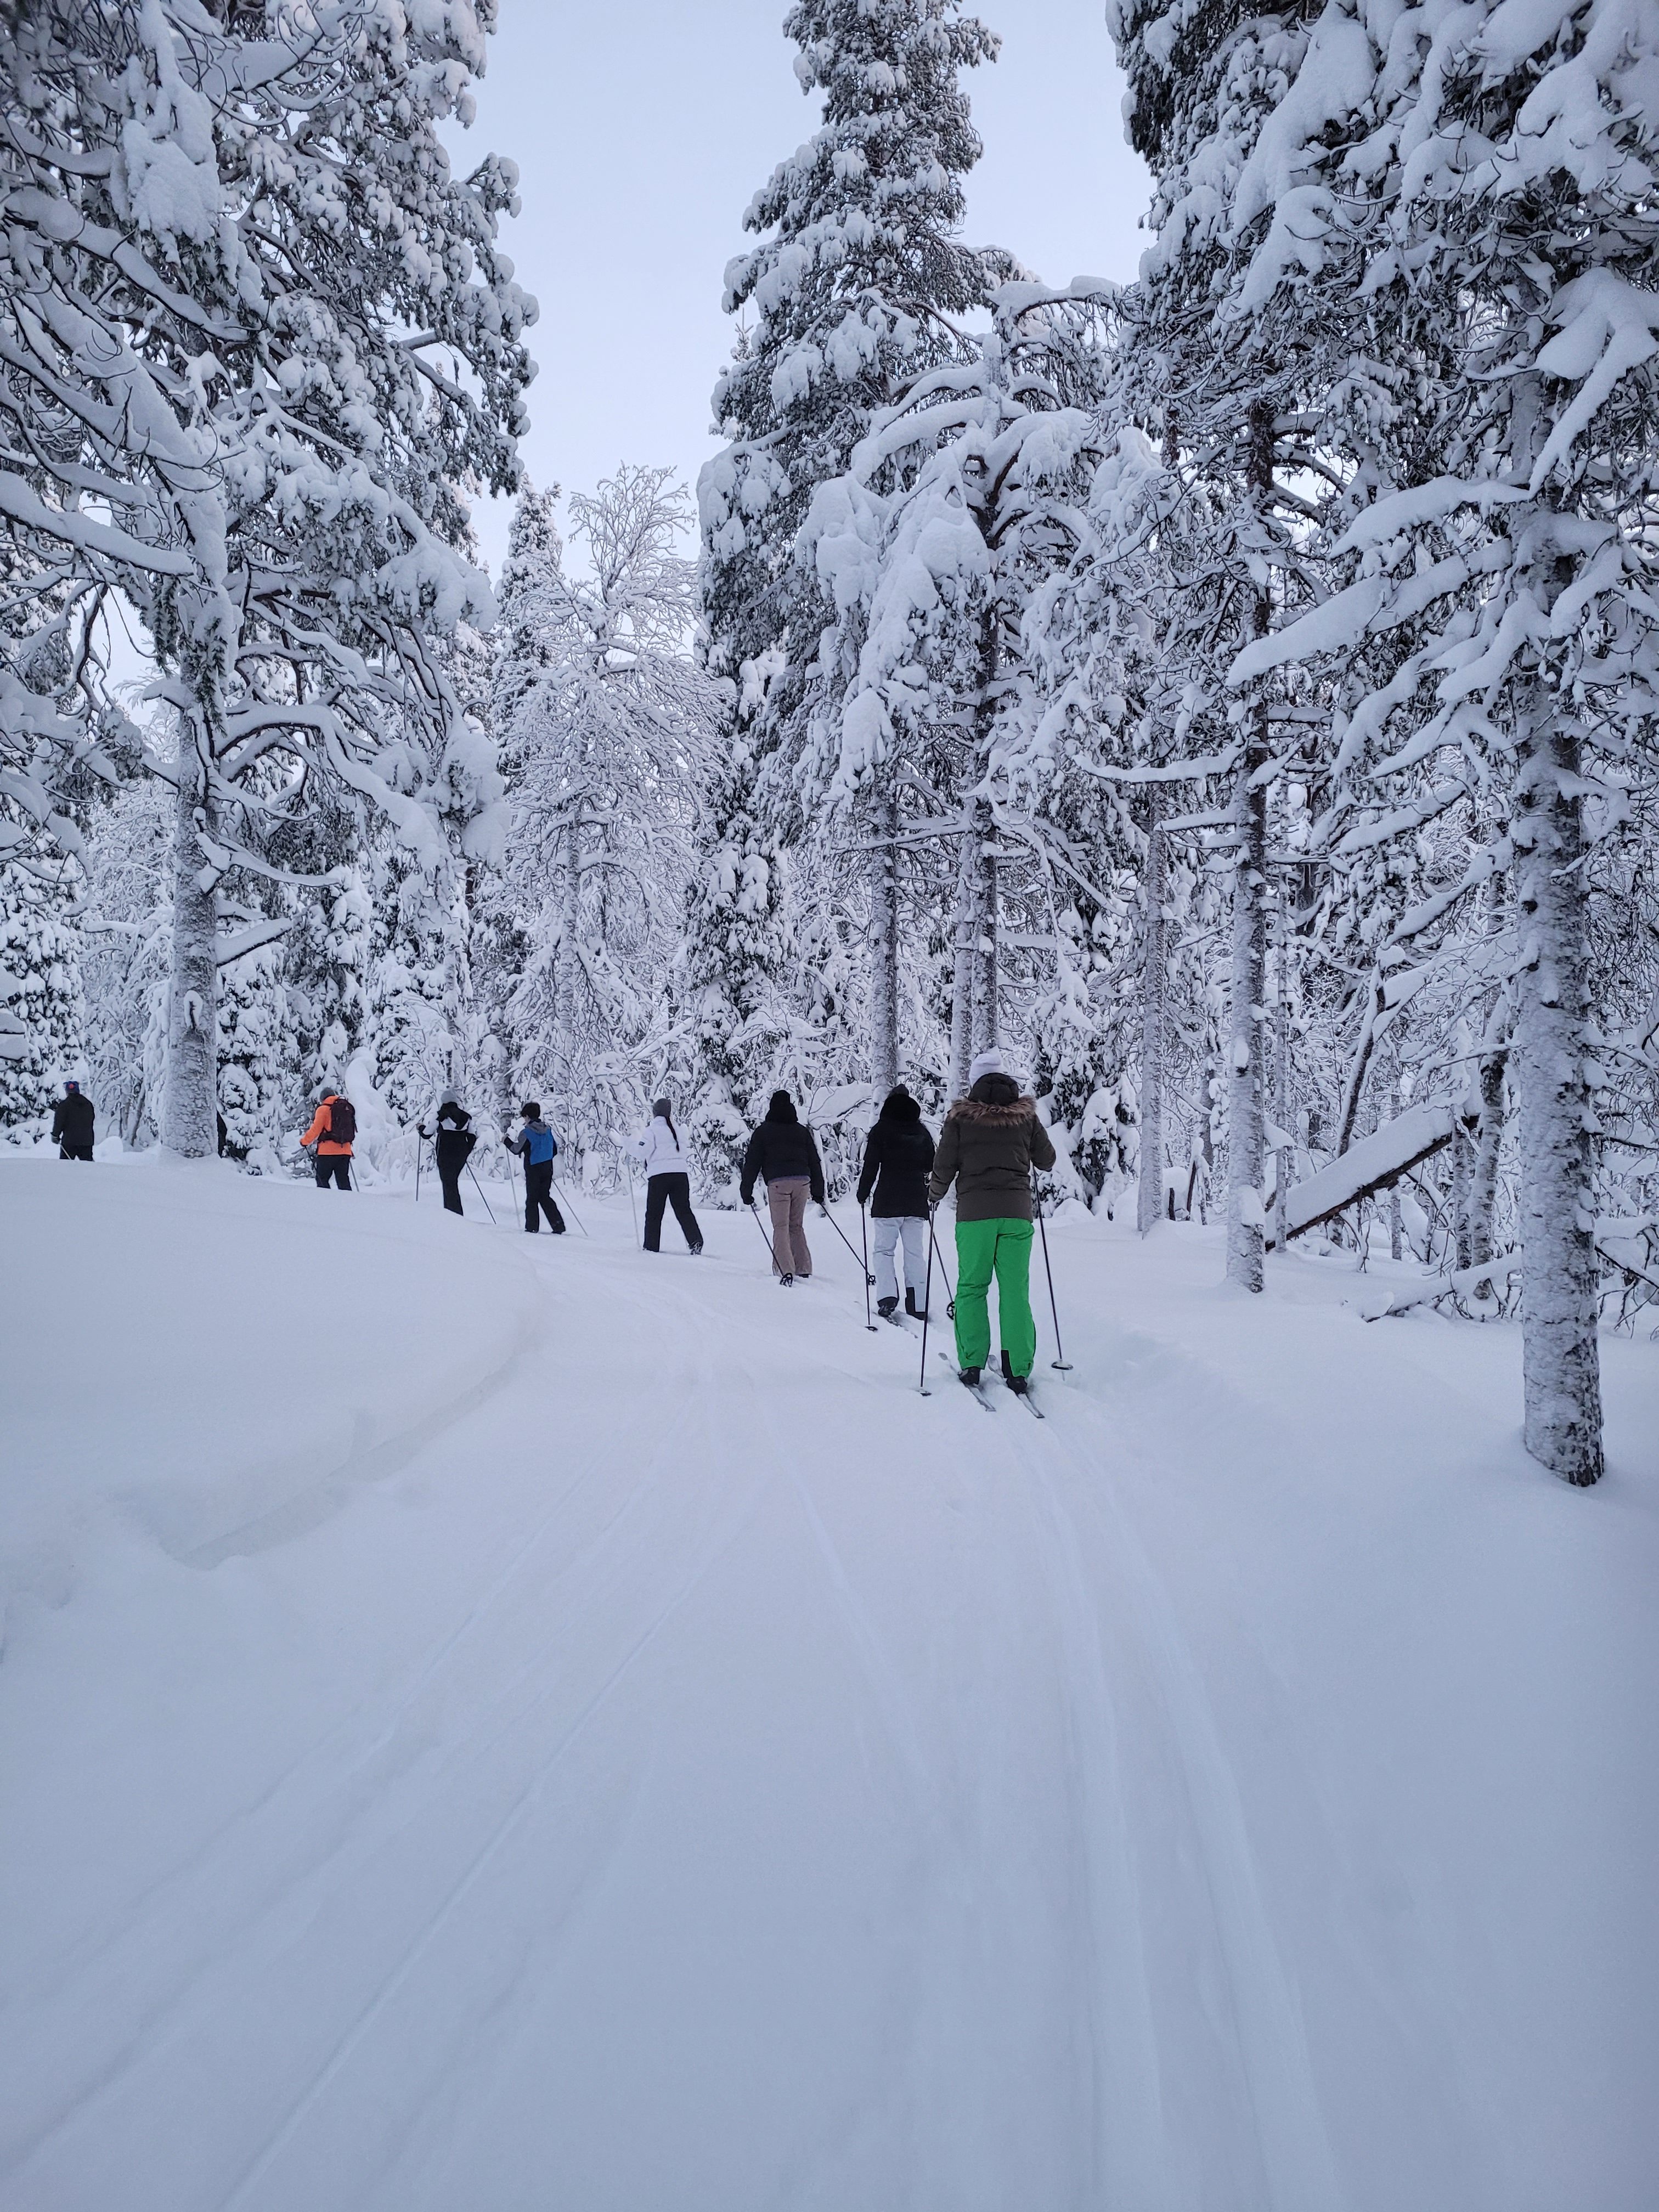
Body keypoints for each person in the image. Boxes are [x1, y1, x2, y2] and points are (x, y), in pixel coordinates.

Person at [927, 1048, 1056, 1394]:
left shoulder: (960, 1119)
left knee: (972, 1287)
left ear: (974, 1084)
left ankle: (971, 1364)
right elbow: (1047, 1160)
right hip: (1016, 1214)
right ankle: (1017, 1369)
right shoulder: (1025, 1118)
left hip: (974, 1216)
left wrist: (934, 1195)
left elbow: (944, 1164)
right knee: (1015, 1291)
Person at [856, 1085, 935, 1321]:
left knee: (884, 1250)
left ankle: (888, 1296)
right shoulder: (922, 1131)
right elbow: (931, 1164)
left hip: (887, 1200)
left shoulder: (881, 1130)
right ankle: (918, 1304)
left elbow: (871, 1165)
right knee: (915, 1253)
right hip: (915, 1200)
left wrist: (863, 1194)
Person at [739, 1090, 825, 1285]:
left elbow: (752, 1162)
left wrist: (746, 1189)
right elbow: (815, 1161)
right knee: (796, 1226)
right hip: (803, 1181)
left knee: (781, 1226)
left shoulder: (763, 1132)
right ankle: (803, 1268)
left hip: (778, 1182)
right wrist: (819, 1191)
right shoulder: (801, 1131)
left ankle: (784, 1269)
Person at [631, 1098, 703, 1255]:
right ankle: (695, 1241)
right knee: (684, 1210)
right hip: (680, 1175)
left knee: (654, 1213)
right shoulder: (678, 1129)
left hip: (659, 1176)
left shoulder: (652, 1131)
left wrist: (629, 1145)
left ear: (655, 1112)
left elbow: (641, 1152)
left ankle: (651, 1246)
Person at [505, 1101, 565, 1233]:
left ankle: (532, 1227)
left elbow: (516, 1149)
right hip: (548, 1168)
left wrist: (506, 1141)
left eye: (524, 1117)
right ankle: (558, 1225)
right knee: (545, 1196)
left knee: (532, 1199)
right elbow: (554, 1150)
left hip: (533, 1169)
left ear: (527, 1117)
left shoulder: (527, 1133)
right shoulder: (548, 1130)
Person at [419, 1096, 477, 1216]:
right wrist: (466, 1151)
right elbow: (472, 1136)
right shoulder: (466, 1117)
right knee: (452, 1183)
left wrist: (420, 1127)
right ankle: (453, 1214)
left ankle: (453, 1216)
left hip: (445, 1155)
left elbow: (426, 1134)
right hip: (460, 1156)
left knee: (448, 1185)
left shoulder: (440, 1116)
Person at [300, 1089, 356, 1189]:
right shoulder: (345, 1108)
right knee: (343, 1180)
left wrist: (305, 1141)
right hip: (345, 1152)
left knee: (322, 1179)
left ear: (323, 1099)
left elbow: (315, 1129)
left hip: (327, 1153)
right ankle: (348, 1202)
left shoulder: (323, 1109)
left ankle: (325, 1202)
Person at [52, 1081, 94, 1161]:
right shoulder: (88, 1104)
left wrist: (55, 1135)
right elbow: (91, 1120)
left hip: (69, 1142)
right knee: (88, 1168)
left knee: (65, 1168)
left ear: (67, 1091)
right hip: (87, 1142)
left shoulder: (64, 1105)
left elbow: (59, 1122)